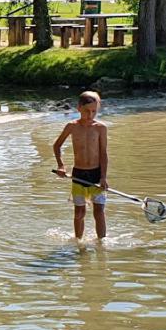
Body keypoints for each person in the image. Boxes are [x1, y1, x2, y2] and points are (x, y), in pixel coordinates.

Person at [51, 91, 109, 240]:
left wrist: (103, 177)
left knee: (99, 212)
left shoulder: (101, 128)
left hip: (96, 174)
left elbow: (103, 154)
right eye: (86, 111)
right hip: (78, 175)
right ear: (79, 108)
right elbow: (57, 146)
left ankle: (101, 244)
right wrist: (61, 166)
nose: (90, 115)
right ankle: (78, 243)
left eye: (94, 111)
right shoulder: (71, 126)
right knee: (79, 213)